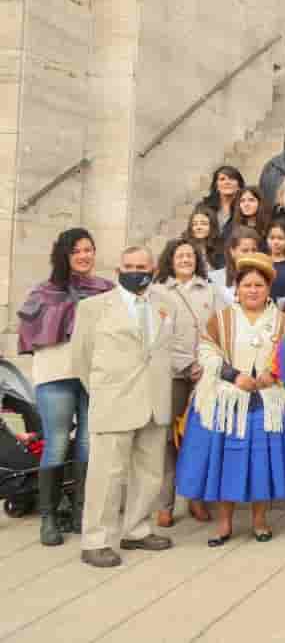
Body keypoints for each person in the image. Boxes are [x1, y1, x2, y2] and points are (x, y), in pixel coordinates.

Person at [175, 253, 285, 546]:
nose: (253, 290)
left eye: (259, 285)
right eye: (247, 284)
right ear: (237, 288)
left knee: (261, 461)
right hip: (227, 402)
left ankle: (260, 520)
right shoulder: (222, 319)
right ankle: (224, 524)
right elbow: (207, 351)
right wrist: (233, 375)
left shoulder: (282, 321)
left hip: (267, 401)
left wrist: (271, 375)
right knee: (227, 461)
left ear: (268, 289)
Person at [70, 246, 175, 567]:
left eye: (141, 265)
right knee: (106, 476)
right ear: (118, 269)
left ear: (153, 268)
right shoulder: (93, 308)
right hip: (114, 401)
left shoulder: (165, 304)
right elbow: (81, 358)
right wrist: (103, 390)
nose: (135, 270)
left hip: (154, 400)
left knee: (149, 473)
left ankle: (137, 530)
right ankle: (96, 541)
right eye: (128, 265)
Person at [18, 228, 115, 547]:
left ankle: (79, 513)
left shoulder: (107, 290)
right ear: (64, 254)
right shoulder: (45, 291)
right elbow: (30, 332)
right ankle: (48, 518)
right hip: (56, 374)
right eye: (77, 251)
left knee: (88, 442)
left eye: (89, 249)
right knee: (57, 442)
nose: (85, 256)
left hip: (94, 374)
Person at [152, 238, 221, 529]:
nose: (185, 260)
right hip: (172, 375)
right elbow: (157, 335)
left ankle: (195, 497)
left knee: (199, 436)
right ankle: (165, 504)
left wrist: (206, 364)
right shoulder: (156, 292)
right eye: (179, 255)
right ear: (170, 259)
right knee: (168, 439)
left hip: (205, 374)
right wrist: (184, 364)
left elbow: (220, 328)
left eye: (190, 256)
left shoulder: (210, 290)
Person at [209, 228, 262, 306]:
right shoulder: (214, 278)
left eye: (254, 250)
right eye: (245, 250)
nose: (250, 254)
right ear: (232, 251)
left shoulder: (263, 277)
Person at [201, 165, 245, 234]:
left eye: (232, 179)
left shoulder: (245, 207)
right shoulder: (204, 206)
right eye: (222, 179)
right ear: (216, 186)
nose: (227, 182)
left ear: (239, 185)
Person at [182, 206, 224, 270]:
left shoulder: (220, 248)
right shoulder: (182, 247)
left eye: (203, 224)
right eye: (195, 224)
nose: (198, 227)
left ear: (212, 226)